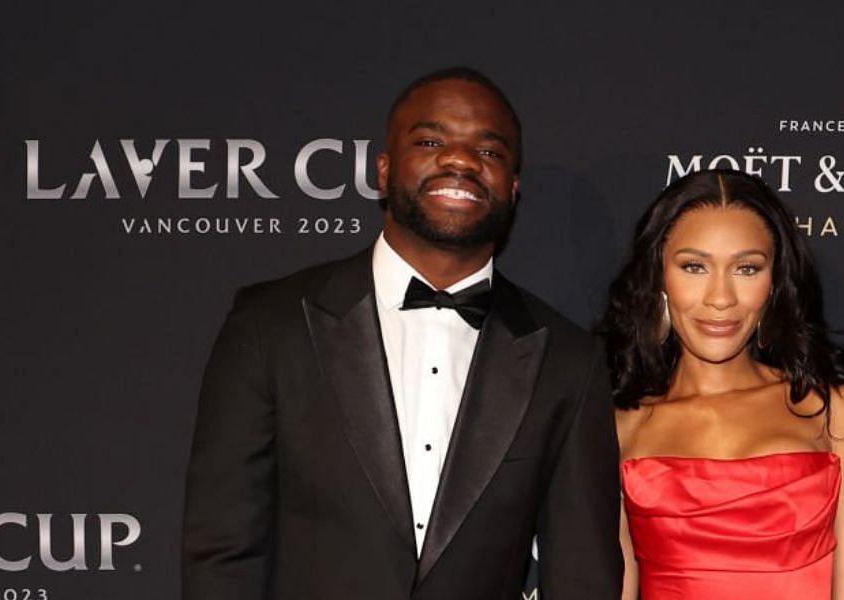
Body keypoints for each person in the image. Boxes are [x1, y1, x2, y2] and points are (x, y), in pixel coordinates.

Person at [182, 67, 622, 600]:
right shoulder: (271, 325)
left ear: (513, 188)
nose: (460, 160)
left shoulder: (568, 362)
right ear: (384, 171)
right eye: (432, 141)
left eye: (489, 152)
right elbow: (223, 554)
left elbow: (582, 576)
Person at [602, 169, 844, 600]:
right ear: (658, 279)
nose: (721, 297)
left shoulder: (832, 409)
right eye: (694, 266)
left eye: (746, 268)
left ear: (774, 284)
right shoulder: (618, 426)